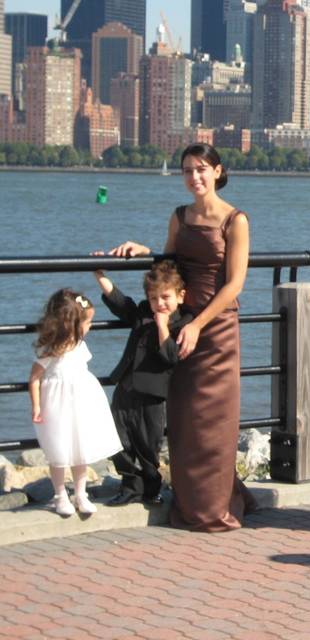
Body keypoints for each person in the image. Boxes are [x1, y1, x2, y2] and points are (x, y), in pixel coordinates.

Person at [108, 142, 255, 532]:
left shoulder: (235, 220)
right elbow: (170, 266)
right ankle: (196, 496)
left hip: (216, 329)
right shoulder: (180, 216)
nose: (195, 177)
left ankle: (214, 506)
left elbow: (234, 284)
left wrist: (197, 324)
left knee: (214, 422)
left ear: (218, 172)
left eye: (202, 169)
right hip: (182, 327)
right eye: (188, 170)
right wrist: (146, 252)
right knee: (185, 418)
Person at [92, 260, 192, 506]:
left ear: (181, 296)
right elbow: (121, 304)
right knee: (118, 439)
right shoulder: (143, 312)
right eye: (153, 297)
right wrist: (100, 275)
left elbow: (170, 357)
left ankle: (151, 488)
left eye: (165, 297)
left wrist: (162, 326)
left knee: (148, 445)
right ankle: (129, 487)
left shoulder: (184, 321)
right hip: (125, 387)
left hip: (153, 394)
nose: (159, 304)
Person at [28, 290, 122, 516]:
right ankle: (60, 495)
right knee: (59, 449)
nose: (90, 326)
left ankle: (81, 494)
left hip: (82, 401)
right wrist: (37, 406)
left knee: (81, 448)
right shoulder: (50, 348)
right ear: (71, 323)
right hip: (57, 404)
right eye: (87, 322)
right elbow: (34, 378)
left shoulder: (80, 345)